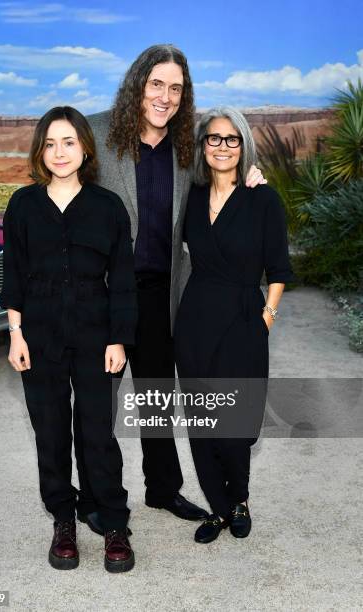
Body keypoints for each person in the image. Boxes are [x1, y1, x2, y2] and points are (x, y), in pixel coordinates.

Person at [86, 44, 266, 530]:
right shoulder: (97, 134)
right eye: (156, 84)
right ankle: (101, 499)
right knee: (97, 407)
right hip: (104, 295)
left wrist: (251, 176)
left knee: (156, 401)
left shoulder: (189, 144)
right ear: (137, 84)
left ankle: (163, 490)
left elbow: (223, 165)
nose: (165, 96)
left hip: (164, 295)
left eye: (176, 88)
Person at [0, 106, 137, 573]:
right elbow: (14, 274)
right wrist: (15, 334)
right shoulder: (22, 205)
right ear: (41, 150)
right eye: (51, 143)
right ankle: (64, 518)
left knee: (97, 432)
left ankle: (114, 522)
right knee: (51, 432)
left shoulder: (107, 207)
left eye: (69, 142)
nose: (60, 152)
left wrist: (119, 340)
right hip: (37, 333)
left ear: (85, 148)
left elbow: (122, 280)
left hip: (97, 334)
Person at [174, 106, 294, 543]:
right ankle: (218, 509)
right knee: (202, 422)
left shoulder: (262, 197)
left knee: (235, 424)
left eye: (232, 139)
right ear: (203, 145)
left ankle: (239, 497)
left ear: (243, 145)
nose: (222, 147)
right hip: (195, 320)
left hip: (245, 318)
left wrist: (266, 319)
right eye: (214, 138)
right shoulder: (189, 195)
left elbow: (278, 269)